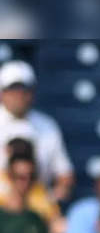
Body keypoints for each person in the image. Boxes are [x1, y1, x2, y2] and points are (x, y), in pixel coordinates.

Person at [0, 60, 73, 202]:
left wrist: (50, 200)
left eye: (24, 90)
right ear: (2, 92)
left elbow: (65, 174)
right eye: (13, 89)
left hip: (37, 202)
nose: (19, 95)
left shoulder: (47, 125)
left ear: (32, 92)